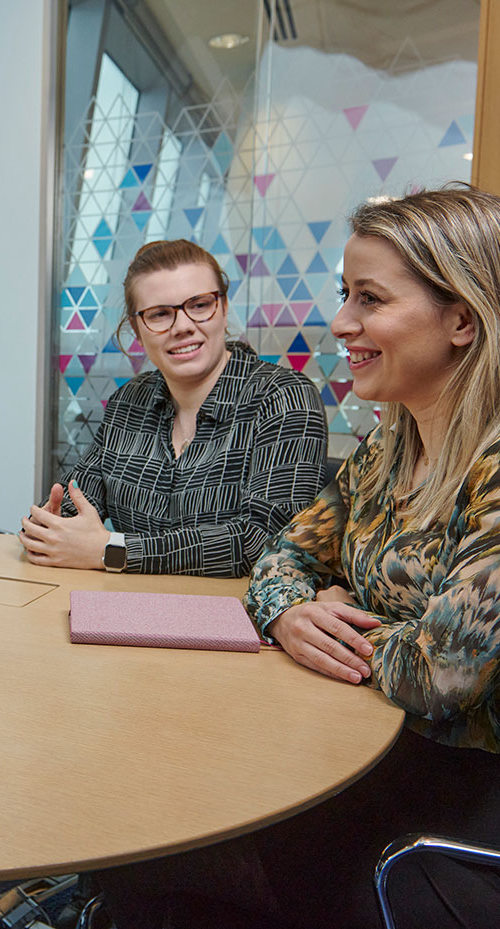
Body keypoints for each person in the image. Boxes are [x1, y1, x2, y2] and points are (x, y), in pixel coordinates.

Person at [97, 186, 500, 929]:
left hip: (451, 800)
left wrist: (330, 611)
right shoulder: (389, 446)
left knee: (146, 842)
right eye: (346, 295)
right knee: (141, 812)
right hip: (360, 745)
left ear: (462, 320)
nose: (341, 322)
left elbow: (444, 673)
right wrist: (290, 607)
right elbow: (282, 556)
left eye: (369, 298)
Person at [19, 239, 327, 577]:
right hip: (125, 611)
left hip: (236, 620)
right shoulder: (128, 402)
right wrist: (49, 528)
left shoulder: (285, 397)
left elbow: (268, 542)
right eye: (160, 314)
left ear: (223, 308)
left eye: (199, 305)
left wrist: (114, 551)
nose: (182, 326)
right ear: (137, 329)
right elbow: (68, 511)